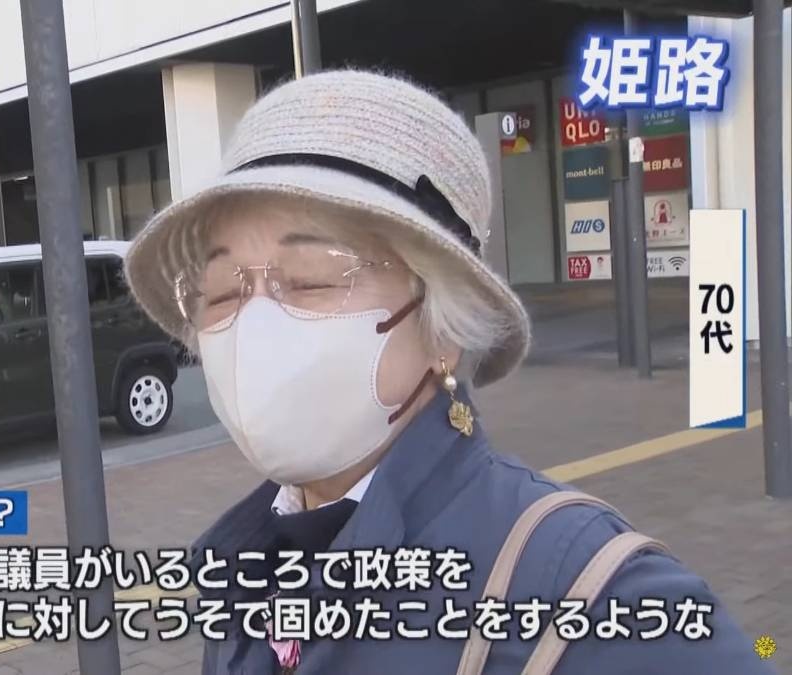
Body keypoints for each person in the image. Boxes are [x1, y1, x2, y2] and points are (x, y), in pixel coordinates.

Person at [123, 70, 770, 674]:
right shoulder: (245, 566)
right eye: (221, 293)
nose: (255, 326)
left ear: (444, 330)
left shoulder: (589, 592)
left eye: (311, 279)